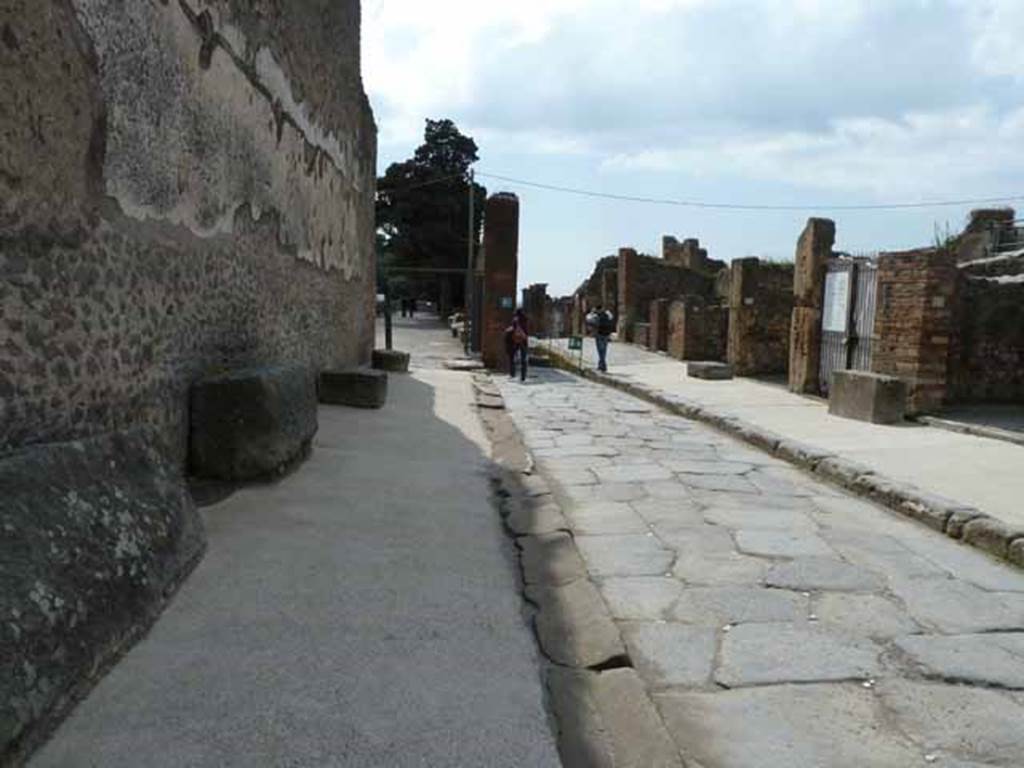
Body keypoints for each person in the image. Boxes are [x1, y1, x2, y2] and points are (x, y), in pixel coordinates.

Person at [585, 304, 615, 372]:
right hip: (606, 334)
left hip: (599, 334)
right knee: (604, 350)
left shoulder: (595, 315)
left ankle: (603, 365)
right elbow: (612, 319)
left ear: (597, 309)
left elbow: (588, 319)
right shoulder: (607, 314)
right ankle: (601, 365)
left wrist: (592, 312)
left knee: (600, 350)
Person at [505, 308, 529, 382]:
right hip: (524, 340)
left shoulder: (515, 320)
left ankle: (512, 374)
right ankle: (523, 376)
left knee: (512, 357)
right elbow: (527, 331)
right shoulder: (525, 320)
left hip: (515, 341)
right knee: (523, 359)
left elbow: (512, 329)